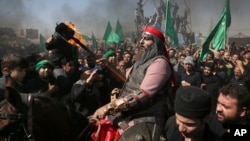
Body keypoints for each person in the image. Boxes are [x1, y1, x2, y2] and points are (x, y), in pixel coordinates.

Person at [89, 25, 175, 140]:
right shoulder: (141, 62)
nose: (141, 42)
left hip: (146, 116)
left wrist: (108, 107)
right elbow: (129, 81)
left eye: (146, 39)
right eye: (142, 38)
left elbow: (143, 94)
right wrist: (109, 66)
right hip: (128, 112)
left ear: (155, 43)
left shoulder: (160, 64)